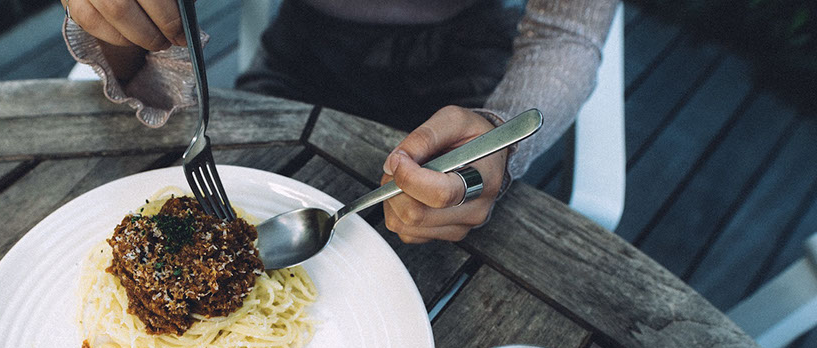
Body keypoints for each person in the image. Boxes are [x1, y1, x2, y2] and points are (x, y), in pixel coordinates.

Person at [60, 0, 618, 244]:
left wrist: (499, 134)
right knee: (240, 191)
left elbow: (564, 34)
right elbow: (148, 69)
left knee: (442, 241)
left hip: (467, 70)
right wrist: (121, 28)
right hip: (304, 50)